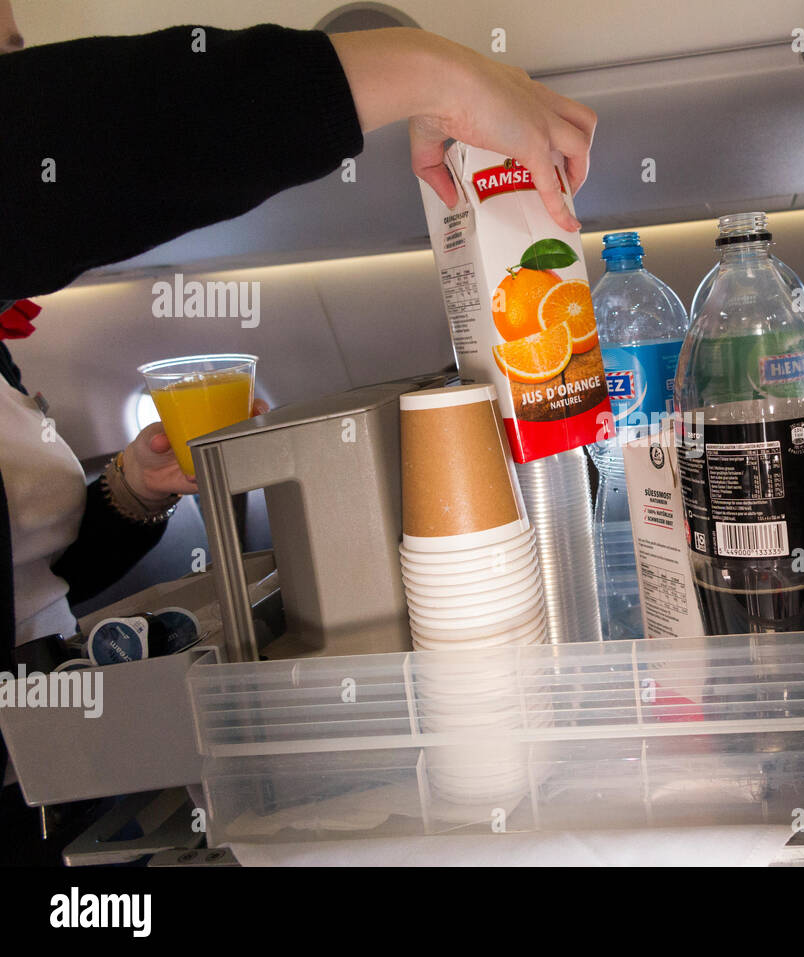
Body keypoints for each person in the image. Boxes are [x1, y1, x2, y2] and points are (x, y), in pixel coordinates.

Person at [0, 8, 597, 787]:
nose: (21, 87)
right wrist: (433, 74)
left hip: (46, 724)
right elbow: (107, 128)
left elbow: (38, 582)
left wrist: (131, 493)